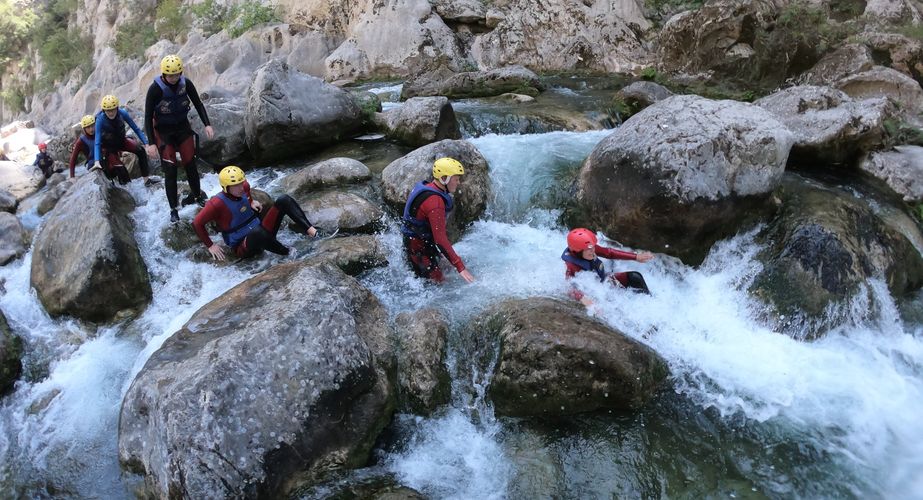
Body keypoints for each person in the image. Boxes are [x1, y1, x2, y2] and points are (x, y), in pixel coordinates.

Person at [144, 54, 215, 223]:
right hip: (164, 132)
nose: (174, 78)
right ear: (163, 74)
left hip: (182, 128)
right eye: (170, 75)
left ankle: (197, 196)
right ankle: (173, 209)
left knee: (190, 163)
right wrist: (151, 143)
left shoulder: (186, 83)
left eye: (176, 74)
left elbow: (198, 103)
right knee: (171, 170)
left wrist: (207, 124)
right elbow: (147, 117)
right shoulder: (155, 89)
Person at [192, 166, 319, 261]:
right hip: (244, 245)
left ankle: (313, 232)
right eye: (236, 185)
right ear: (226, 187)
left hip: (262, 231)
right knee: (258, 232)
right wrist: (210, 245)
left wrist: (251, 202)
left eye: (241, 183)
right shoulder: (216, 204)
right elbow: (197, 223)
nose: (241, 187)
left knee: (283, 199)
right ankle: (289, 252)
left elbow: (246, 194)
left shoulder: (244, 187)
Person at [400, 157, 475, 284]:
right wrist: (460, 267)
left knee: (447, 269)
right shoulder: (435, 202)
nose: (458, 182)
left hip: (420, 242)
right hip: (417, 248)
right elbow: (440, 239)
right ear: (444, 178)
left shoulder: (429, 187)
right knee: (440, 284)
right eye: (456, 179)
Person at [563, 228, 654, 306]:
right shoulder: (570, 265)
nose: (592, 251)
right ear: (577, 251)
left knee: (635, 277)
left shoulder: (589, 249)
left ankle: (650, 303)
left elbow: (609, 253)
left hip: (604, 282)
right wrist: (585, 300)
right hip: (595, 293)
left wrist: (636, 257)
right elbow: (569, 288)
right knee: (615, 302)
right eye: (588, 250)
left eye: (593, 248)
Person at [91, 94, 157, 186]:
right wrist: (97, 161)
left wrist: (146, 144)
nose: (111, 113)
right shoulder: (100, 120)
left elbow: (136, 129)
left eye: (113, 109)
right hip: (109, 147)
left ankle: (146, 180)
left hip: (121, 141)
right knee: (121, 169)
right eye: (108, 110)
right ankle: (127, 191)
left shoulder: (123, 113)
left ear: (117, 108)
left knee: (141, 151)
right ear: (104, 110)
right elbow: (97, 142)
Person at [67, 115, 97, 179]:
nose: (91, 129)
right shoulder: (81, 141)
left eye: (92, 126)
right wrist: (72, 176)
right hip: (93, 165)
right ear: (84, 129)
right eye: (88, 127)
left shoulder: (99, 133)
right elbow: (73, 159)